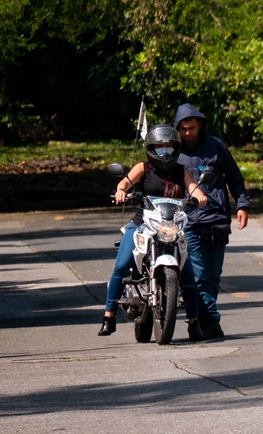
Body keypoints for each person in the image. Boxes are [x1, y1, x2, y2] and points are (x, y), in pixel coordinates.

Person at [98, 124, 208, 340]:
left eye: (169, 146)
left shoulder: (181, 170)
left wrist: (200, 195)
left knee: (189, 275)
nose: (164, 151)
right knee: (121, 266)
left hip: (171, 224)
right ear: (150, 148)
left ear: (176, 148)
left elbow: (193, 187)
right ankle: (108, 316)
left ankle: (194, 324)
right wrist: (121, 191)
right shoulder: (143, 168)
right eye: (159, 147)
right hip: (143, 223)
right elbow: (125, 182)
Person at [173, 103, 250, 339]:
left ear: (200, 125)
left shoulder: (215, 146)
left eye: (192, 127)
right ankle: (209, 321)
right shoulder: (173, 152)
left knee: (214, 276)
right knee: (200, 276)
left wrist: (242, 205)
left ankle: (199, 319)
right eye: (183, 128)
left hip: (217, 220)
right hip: (189, 223)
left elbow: (234, 177)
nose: (188, 133)